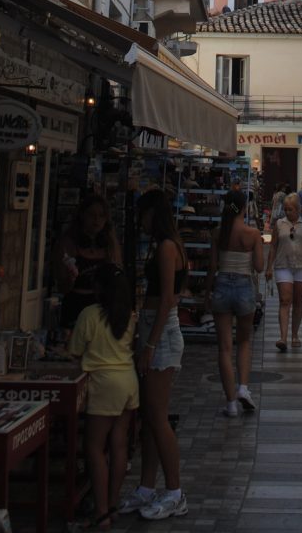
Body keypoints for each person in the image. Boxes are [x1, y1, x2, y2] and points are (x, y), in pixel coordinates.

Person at [118, 189, 187, 521]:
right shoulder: (171, 245)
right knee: (149, 417)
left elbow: (167, 299)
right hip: (155, 329)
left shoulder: (166, 247)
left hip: (161, 334)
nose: (141, 222)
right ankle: (146, 487)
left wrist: (150, 345)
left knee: (158, 417)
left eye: (143, 215)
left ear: (153, 214)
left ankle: (175, 491)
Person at [68, 262, 137, 530]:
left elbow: (74, 351)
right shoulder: (128, 316)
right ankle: (113, 504)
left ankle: (100, 511)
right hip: (127, 382)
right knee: (119, 445)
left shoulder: (89, 315)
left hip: (103, 385)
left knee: (95, 448)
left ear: (99, 288)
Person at [206, 190, 264, 416]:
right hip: (244, 287)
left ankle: (230, 403)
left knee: (224, 347)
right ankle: (243, 388)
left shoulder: (217, 233)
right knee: (244, 341)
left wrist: (206, 293)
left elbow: (212, 266)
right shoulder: (252, 233)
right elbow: (259, 266)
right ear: (244, 208)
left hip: (221, 286)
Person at [55, 193, 122, 331]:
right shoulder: (68, 244)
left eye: (101, 215)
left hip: (101, 309)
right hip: (76, 307)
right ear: (82, 215)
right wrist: (70, 279)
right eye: (92, 214)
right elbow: (62, 287)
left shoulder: (110, 245)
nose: (97, 220)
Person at [265, 191, 302, 351]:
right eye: (286, 209)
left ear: (297, 209)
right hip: (283, 265)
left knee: (298, 302)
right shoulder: (279, 224)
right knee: (285, 300)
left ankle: (295, 335)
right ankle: (283, 337)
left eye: (291, 209)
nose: (288, 212)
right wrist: (269, 267)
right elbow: (273, 246)